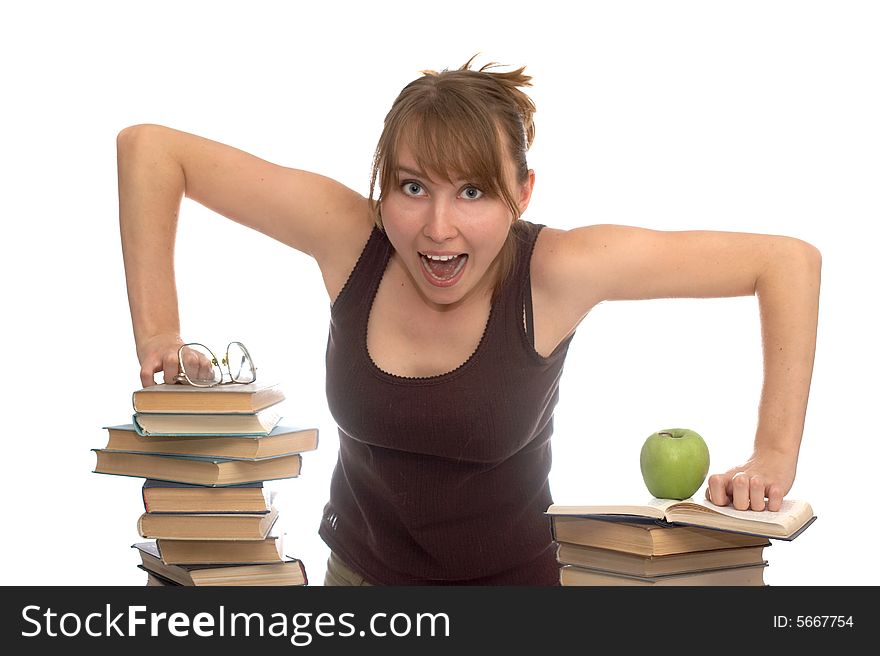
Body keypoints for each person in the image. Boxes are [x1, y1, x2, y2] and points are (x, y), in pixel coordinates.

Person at [116, 56, 821, 585]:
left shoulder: (557, 270)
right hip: (357, 585)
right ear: (382, 185)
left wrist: (774, 455)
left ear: (522, 192)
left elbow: (786, 263)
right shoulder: (352, 240)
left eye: (475, 190)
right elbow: (151, 149)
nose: (437, 228)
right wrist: (159, 336)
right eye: (412, 186)